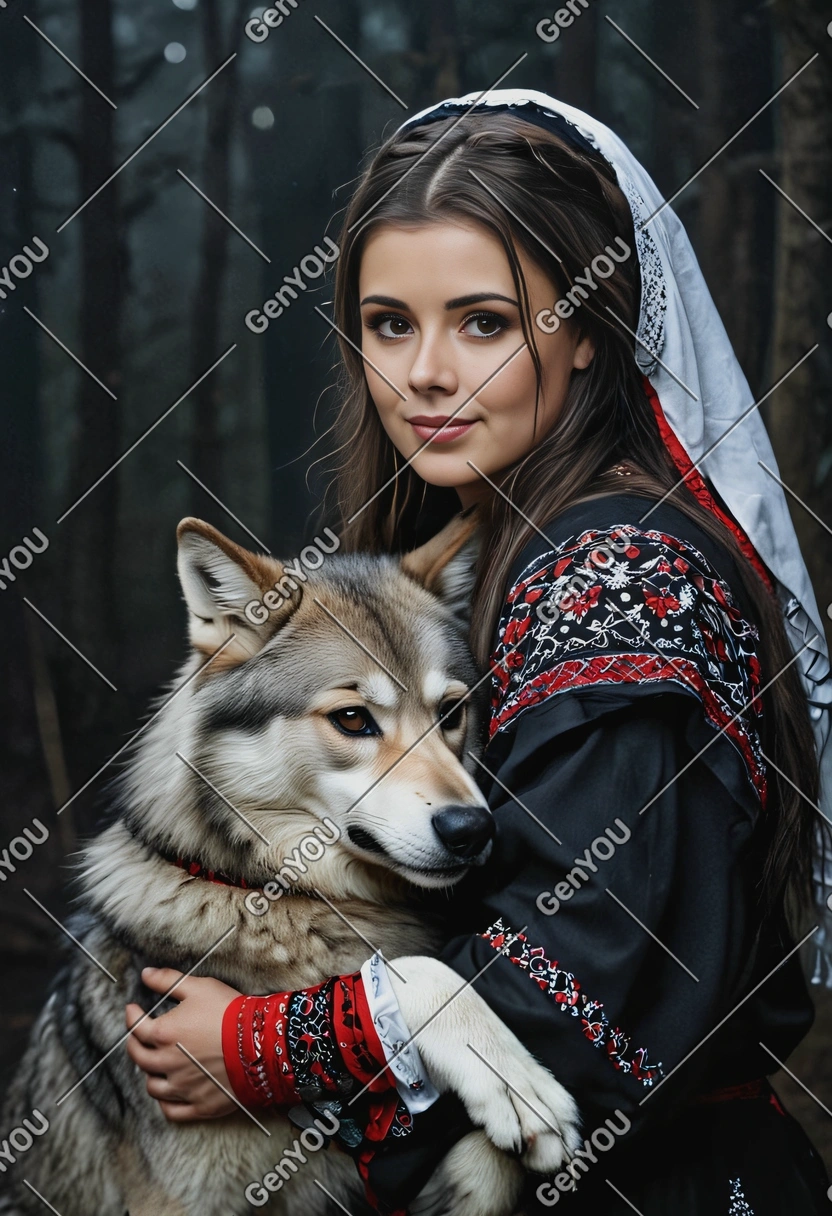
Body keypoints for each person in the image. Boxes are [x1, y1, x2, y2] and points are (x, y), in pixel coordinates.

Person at [124, 90, 832, 1214]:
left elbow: (593, 979)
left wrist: (268, 1044)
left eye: (486, 322)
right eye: (389, 324)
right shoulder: (485, 546)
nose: (424, 375)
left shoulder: (618, 577)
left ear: (589, 327)